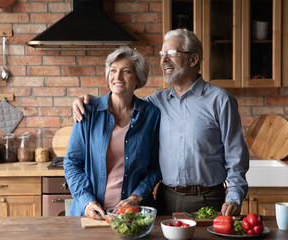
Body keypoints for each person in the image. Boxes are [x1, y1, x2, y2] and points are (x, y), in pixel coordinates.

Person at [72, 29, 249, 216]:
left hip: (208, 198)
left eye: (171, 53)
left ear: (193, 59)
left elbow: (235, 154)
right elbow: (122, 99)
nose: (164, 59)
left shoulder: (220, 100)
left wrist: (234, 196)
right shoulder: (156, 102)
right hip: (166, 198)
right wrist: (89, 101)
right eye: (162, 54)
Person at [64, 46, 161, 219]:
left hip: (134, 216)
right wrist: (87, 201)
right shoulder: (88, 111)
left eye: (126, 72)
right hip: (90, 214)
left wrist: (136, 197)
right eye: (113, 71)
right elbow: (72, 162)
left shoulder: (151, 115)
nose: (117, 77)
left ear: (138, 79)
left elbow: (155, 167)